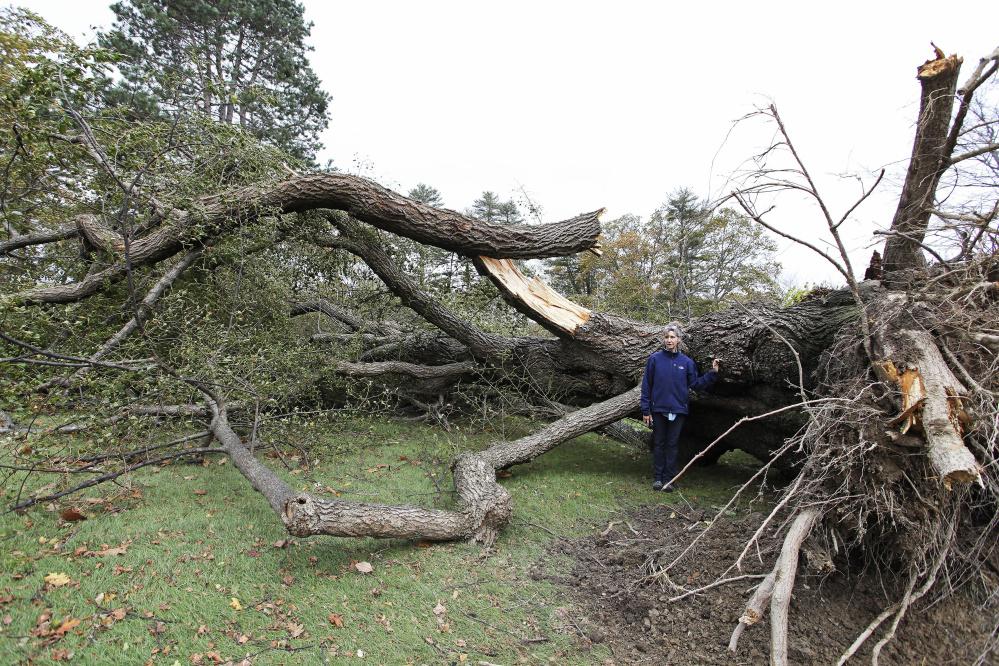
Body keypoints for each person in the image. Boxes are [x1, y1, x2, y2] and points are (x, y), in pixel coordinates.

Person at [640, 324, 720, 492]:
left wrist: (712, 373)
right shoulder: (654, 359)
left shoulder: (687, 362)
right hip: (658, 409)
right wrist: (646, 410)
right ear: (664, 339)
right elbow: (647, 386)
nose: (669, 340)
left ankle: (670, 480)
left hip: (678, 410)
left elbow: (696, 385)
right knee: (659, 443)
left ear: (679, 340)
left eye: (673, 337)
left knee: (673, 444)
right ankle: (657, 479)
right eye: (667, 337)